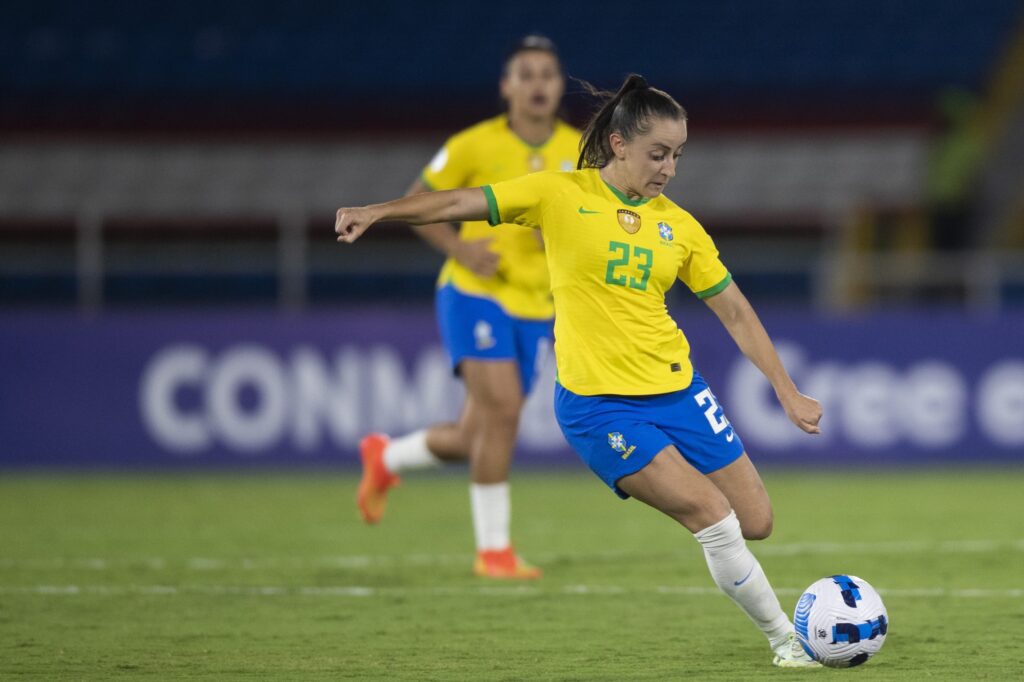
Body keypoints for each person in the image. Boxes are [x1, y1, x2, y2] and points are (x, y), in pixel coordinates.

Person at [338, 74, 822, 667]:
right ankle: (786, 643)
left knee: (758, 521)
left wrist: (786, 390)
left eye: (677, 155)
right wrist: (378, 211)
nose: (669, 168)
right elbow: (459, 201)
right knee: (714, 518)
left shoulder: (680, 227)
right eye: (658, 153)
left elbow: (738, 313)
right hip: (600, 408)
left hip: (679, 391)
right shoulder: (558, 194)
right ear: (619, 145)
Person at [356, 35, 581, 580]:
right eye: (524, 74)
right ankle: (494, 551)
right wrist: (459, 247)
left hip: (536, 304)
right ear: (506, 87)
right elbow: (420, 200)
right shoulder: (472, 145)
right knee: (503, 410)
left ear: (559, 85)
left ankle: (384, 458)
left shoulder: (583, 148)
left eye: (546, 74)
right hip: (473, 292)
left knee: (472, 436)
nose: (536, 84)